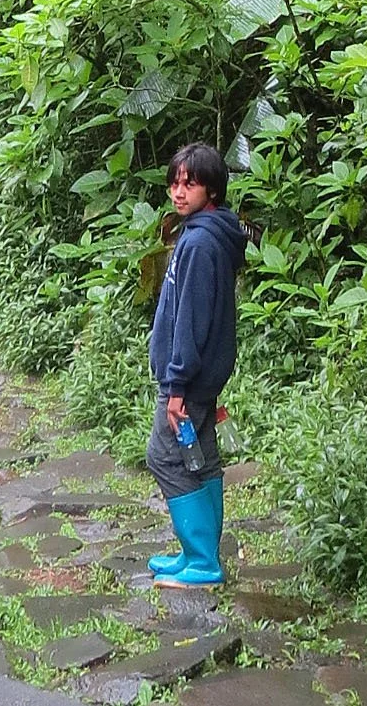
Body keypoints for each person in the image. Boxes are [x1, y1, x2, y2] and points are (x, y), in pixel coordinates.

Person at [145, 140, 247, 586]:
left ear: (213, 190)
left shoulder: (202, 244)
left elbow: (191, 320)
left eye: (191, 183)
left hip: (189, 380)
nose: (179, 191)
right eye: (175, 182)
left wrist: (177, 386)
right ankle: (196, 553)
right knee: (199, 459)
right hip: (201, 377)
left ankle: (203, 561)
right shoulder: (204, 234)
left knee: (165, 456)